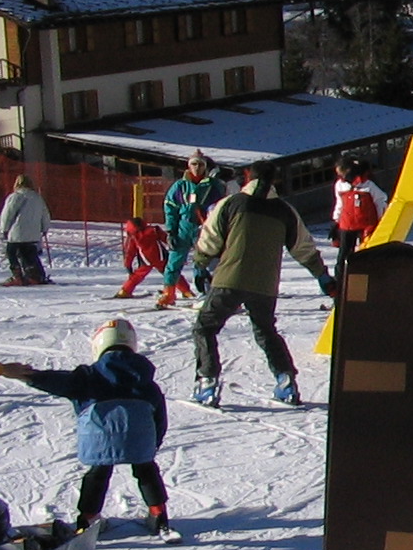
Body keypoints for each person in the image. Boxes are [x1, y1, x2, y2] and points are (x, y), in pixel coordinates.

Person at [0, 319, 176, 537]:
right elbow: (160, 418)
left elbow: (57, 381)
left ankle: (89, 519)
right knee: (146, 469)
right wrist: (153, 443)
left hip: (100, 439)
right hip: (140, 439)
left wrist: (26, 375)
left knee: (98, 473)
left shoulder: (88, 377)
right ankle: (158, 514)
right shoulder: (147, 382)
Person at [190, 166, 337, 407]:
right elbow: (304, 247)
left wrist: (200, 264)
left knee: (204, 327)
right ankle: (285, 380)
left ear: (247, 178)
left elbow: (210, 237)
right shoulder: (284, 210)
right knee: (266, 330)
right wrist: (322, 275)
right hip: (265, 285)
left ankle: (207, 382)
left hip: (230, 278)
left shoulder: (231, 203)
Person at [158, 151, 224, 308]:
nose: (197, 168)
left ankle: (204, 292)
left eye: (200, 164)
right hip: (184, 226)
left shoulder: (212, 185)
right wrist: (171, 230)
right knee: (174, 260)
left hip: (204, 227)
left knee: (201, 261)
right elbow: (170, 208)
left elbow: (221, 206)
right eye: (194, 164)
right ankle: (169, 292)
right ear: (188, 166)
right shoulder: (180, 186)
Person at [331, 158, 387, 271]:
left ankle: (366, 278)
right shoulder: (340, 185)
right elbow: (340, 203)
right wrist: (336, 220)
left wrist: (380, 219)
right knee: (344, 254)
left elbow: (381, 200)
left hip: (366, 224)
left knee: (366, 254)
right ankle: (341, 279)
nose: (340, 175)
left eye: (341, 172)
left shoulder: (368, 184)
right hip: (347, 223)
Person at [0, 173, 50, 286]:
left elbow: (7, 214)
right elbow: (45, 214)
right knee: (29, 253)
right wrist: (44, 228)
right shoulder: (37, 197)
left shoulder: (15, 197)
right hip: (33, 233)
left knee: (11, 252)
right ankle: (35, 275)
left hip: (17, 232)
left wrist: (4, 229)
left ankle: (17, 276)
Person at [117, 216, 172, 298]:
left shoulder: (133, 236)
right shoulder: (154, 230)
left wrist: (128, 265)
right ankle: (184, 290)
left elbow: (130, 252)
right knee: (170, 273)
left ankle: (125, 291)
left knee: (136, 276)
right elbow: (167, 239)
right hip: (159, 257)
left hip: (146, 260)